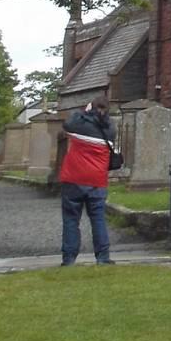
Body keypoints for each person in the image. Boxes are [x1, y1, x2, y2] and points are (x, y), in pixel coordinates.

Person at [60, 98, 117, 265]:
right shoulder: (110, 129)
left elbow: (67, 124)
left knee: (71, 219)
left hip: (73, 177)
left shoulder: (79, 125)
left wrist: (84, 112)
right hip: (97, 180)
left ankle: (69, 258)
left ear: (91, 107)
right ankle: (103, 257)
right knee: (98, 218)